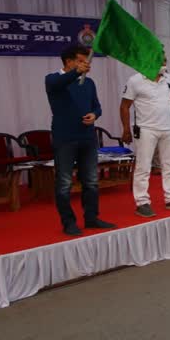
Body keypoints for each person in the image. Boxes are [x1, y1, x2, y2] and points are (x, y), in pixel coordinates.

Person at [45, 45, 115, 235]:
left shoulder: (89, 83)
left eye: (87, 61)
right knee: (65, 182)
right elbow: (60, 83)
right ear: (69, 61)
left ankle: (91, 218)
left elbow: (97, 107)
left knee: (91, 181)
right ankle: (68, 222)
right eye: (81, 61)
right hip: (65, 138)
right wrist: (76, 73)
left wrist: (95, 114)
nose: (86, 64)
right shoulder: (53, 80)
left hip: (87, 137)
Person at [121, 57, 170, 218]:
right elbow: (124, 106)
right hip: (146, 129)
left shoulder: (169, 79)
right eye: (161, 60)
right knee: (143, 167)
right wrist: (126, 129)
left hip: (168, 128)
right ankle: (142, 202)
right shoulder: (135, 80)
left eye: (165, 60)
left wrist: (169, 119)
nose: (164, 63)